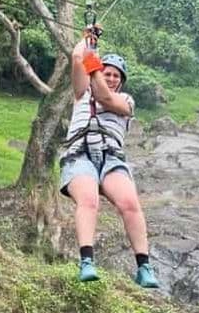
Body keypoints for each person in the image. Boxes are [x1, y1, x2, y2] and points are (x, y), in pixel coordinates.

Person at [59, 37, 159, 288]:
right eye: (108, 73)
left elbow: (104, 97)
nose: (112, 78)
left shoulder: (126, 101)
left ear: (122, 81)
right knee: (89, 200)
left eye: (116, 76)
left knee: (129, 203)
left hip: (110, 158)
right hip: (79, 154)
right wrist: (87, 39)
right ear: (99, 73)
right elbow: (76, 58)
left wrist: (93, 61)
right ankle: (86, 262)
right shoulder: (81, 94)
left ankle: (144, 266)